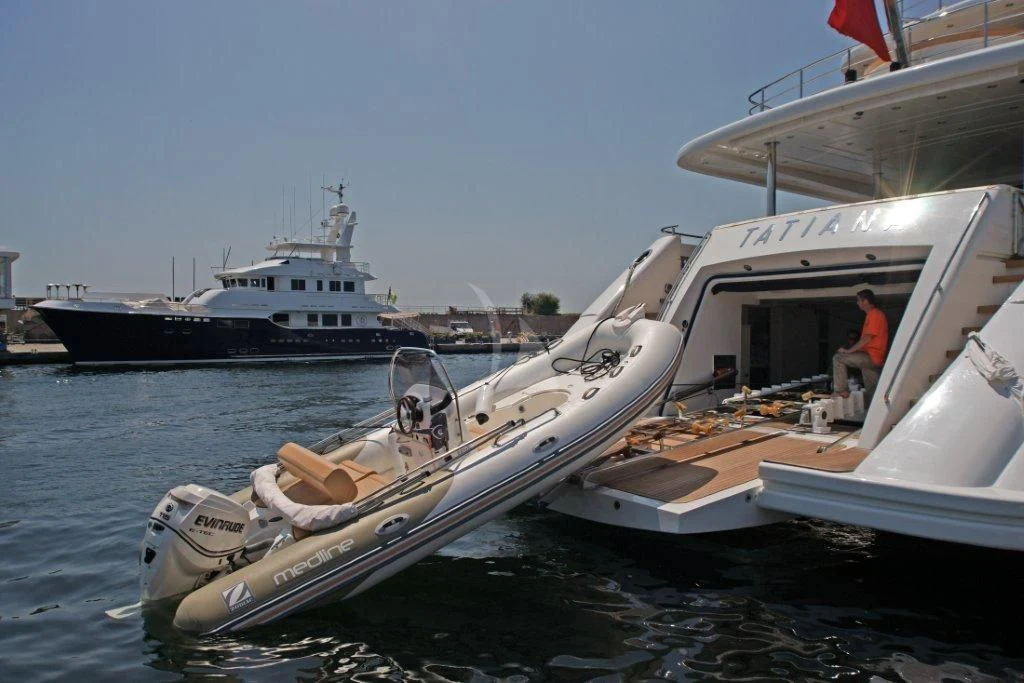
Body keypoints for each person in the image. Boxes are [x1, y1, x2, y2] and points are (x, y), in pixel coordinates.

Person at [834, 289, 888, 399]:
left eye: (858, 300)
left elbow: (867, 338)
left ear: (865, 301)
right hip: (874, 358)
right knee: (872, 393)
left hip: (872, 356)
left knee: (838, 358)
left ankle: (841, 391)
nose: (857, 303)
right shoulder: (875, 314)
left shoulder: (874, 314)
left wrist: (849, 351)